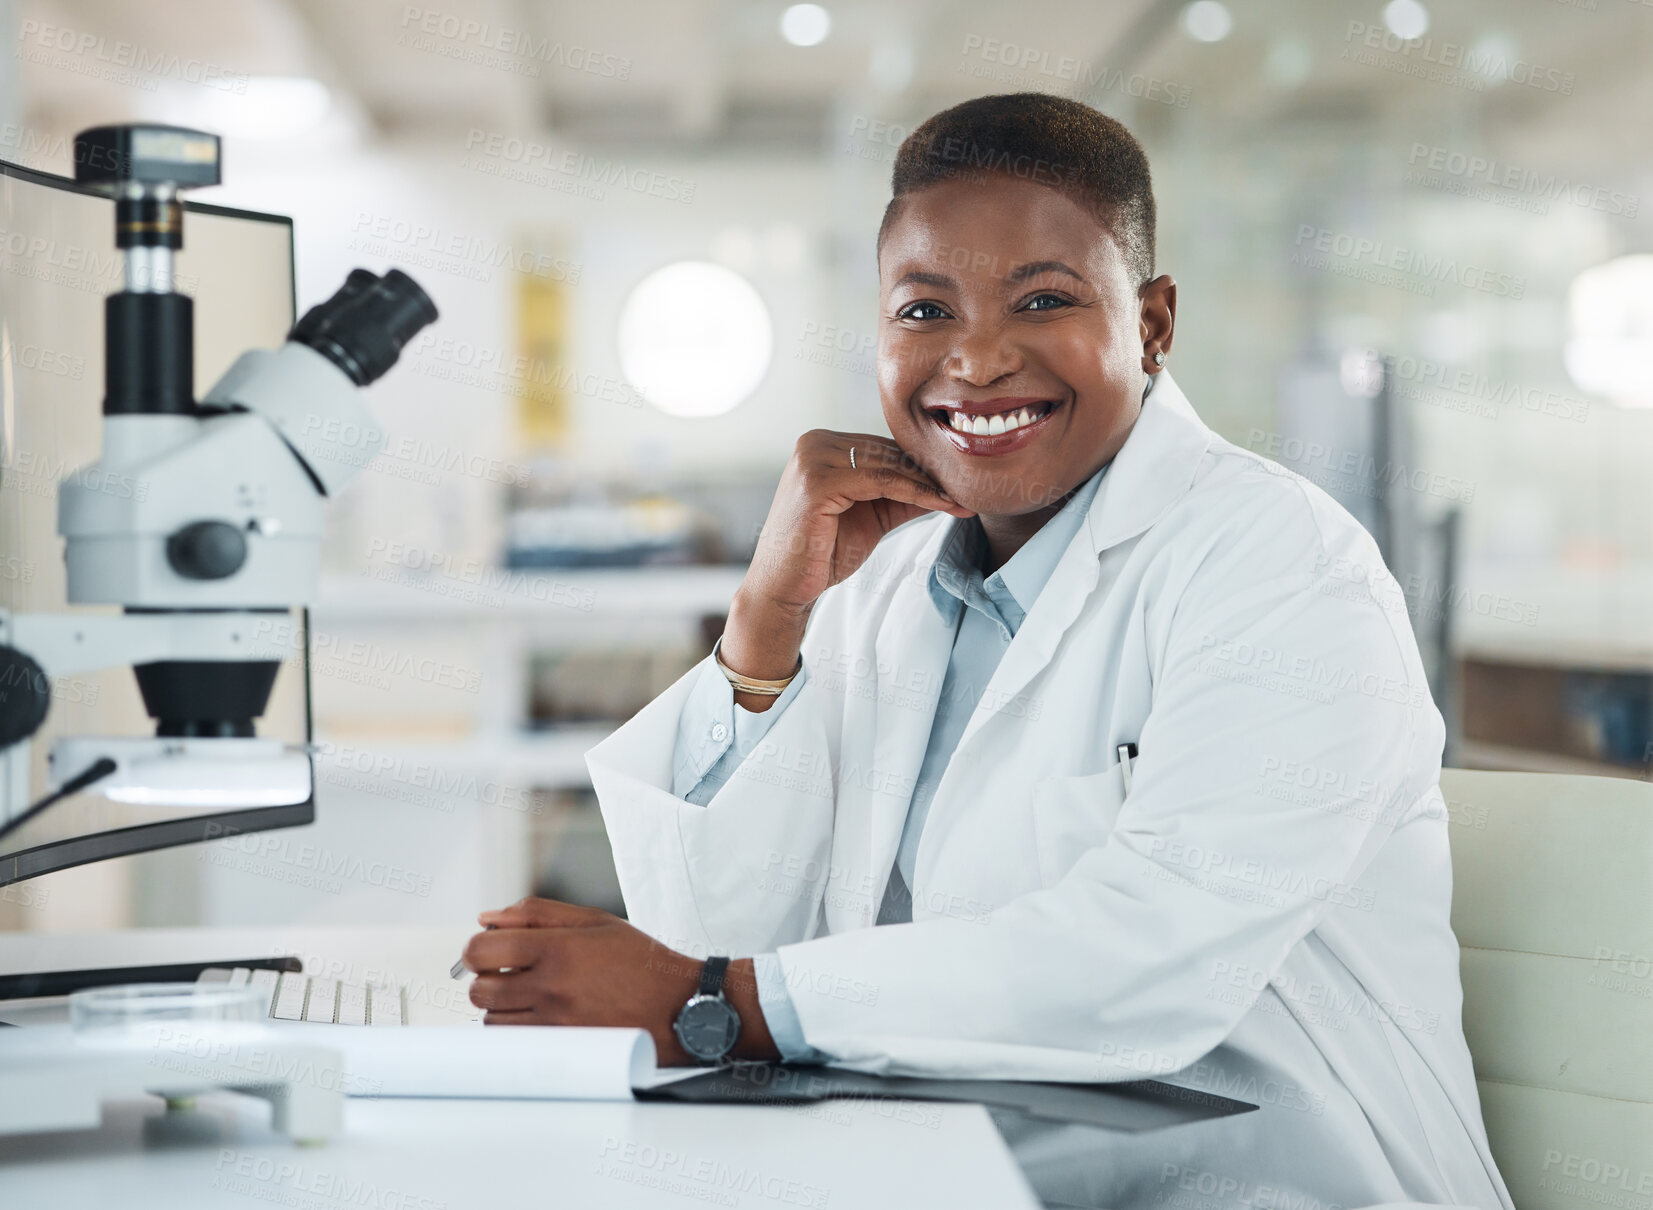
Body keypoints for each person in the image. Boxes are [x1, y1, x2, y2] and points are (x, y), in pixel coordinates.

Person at [461, 93, 1513, 1210]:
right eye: (924, 310)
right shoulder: (887, 584)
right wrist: (765, 626)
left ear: (1153, 322)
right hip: (964, 1147)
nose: (976, 359)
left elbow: (1152, 954)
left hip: (1274, 1170)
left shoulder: (1281, 565)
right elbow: (719, 937)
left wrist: (714, 998)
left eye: (1044, 300)